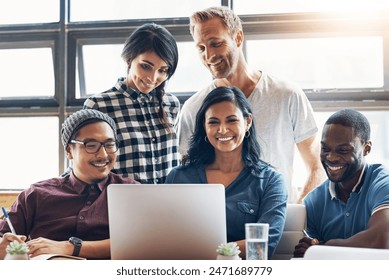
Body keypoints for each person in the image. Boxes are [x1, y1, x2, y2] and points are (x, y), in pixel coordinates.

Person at [178, 6, 325, 203]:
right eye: (201, 48)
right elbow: (188, 177)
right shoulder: (193, 108)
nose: (209, 55)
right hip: (219, 227)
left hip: (279, 223)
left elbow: (317, 164)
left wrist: (296, 214)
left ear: (238, 38)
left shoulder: (287, 95)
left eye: (216, 43)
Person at [165, 86, 288, 259]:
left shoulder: (271, 181)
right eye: (213, 122)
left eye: (231, 120)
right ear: (204, 127)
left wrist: (211, 252)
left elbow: (263, 245)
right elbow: (164, 236)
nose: (222, 130)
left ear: (248, 122)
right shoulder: (178, 177)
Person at [0, 109, 139, 259]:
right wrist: (4, 247)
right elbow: (4, 238)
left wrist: (69, 247)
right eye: (91, 145)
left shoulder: (133, 193)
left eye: (110, 145)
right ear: (69, 151)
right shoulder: (36, 194)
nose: (103, 154)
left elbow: (140, 243)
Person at [84, 23, 180, 184]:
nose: (152, 78)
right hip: (121, 204)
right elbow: (86, 167)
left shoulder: (172, 104)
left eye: (163, 70)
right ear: (129, 58)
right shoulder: (98, 106)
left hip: (169, 205)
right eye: (145, 66)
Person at [293, 109, 389, 258]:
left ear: (366, 148)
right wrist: (313, 250)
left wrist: (324, 247)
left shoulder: (383, 183)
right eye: (325, 148)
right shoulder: (314, 201)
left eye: (343, 150)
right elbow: (314, 259)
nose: (331, 157)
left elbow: (382, 240)